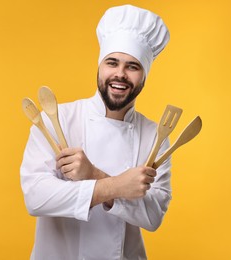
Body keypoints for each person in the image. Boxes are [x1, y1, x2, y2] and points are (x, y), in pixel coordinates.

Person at [20, 4, 171, 260]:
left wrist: (93, 174)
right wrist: (114, 186)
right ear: (100, 66)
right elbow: (36, 197)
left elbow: (153, 215)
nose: (120, 74)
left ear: (144, 75)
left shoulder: (155, 136)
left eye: (132, 66)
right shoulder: (57, 120)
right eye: (112, 63)